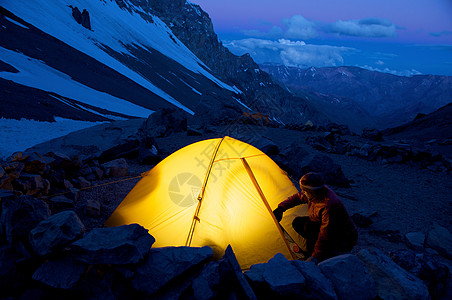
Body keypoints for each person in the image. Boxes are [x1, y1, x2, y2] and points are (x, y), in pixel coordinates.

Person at [273, 172, 357, 263]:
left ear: (312, 192)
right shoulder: (315, 195)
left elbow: (325, 234)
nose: (303, 192)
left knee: (310, 230)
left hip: (342, 237)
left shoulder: (328, 205)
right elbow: (299, 197)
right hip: (325, 226)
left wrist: (314, 256)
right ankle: (317, 250)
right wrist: (281, 208)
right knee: (298, 223)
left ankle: (324, 253)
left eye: (305, 191)